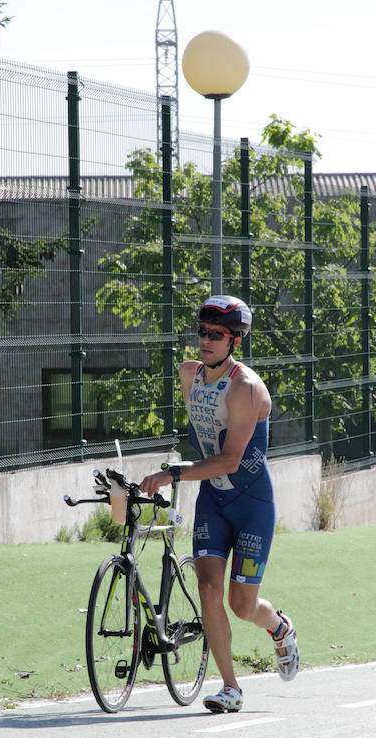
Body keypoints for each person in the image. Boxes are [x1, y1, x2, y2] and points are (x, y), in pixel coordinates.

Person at [139, 295, 299, 713]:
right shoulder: (188, 373)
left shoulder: (246, 388)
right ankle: (230, 687)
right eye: (202, 332)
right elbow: (203, 441)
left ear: (234, 341)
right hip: (213, 499)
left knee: (242, 605)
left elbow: (229, 460)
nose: (206, 340)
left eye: (217, 334)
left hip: (252, 504)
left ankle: (279, 627)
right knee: (208, 588)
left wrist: (173, 473)